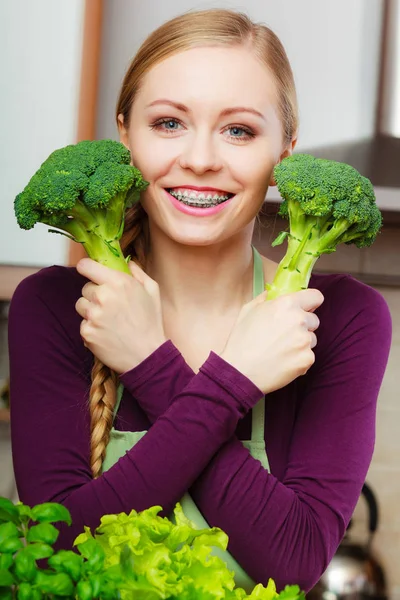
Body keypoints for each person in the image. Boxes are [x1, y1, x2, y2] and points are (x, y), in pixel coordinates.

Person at [8, 8, 392, 594]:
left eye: (238, 130)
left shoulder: (340, 319)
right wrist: (233, 382)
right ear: (125, 134)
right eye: (168, 123)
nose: (201, 158)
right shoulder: (55, 308)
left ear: (284, 152)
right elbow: (54, 557)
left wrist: (148, 364)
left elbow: (295, 558)